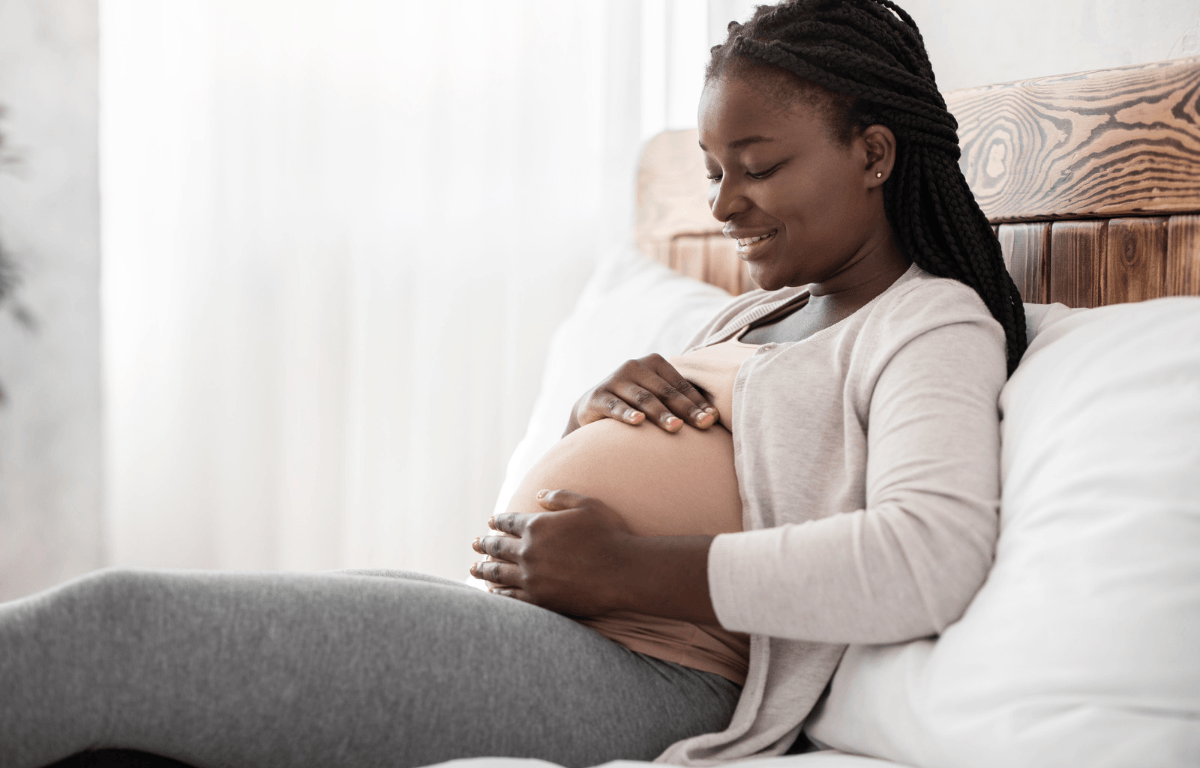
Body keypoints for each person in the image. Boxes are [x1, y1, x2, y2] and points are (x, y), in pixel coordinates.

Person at [1, 1, 1026, 767]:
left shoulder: (927, 323)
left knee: (118, 629)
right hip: (559, 629)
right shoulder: (758, 311)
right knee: (123, 740)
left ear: (875, 153)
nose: (722, 203)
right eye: (712, 168)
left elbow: (926, 558)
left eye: (755, 165)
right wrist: (597, 413)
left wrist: (630, 565)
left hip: (651, 675)